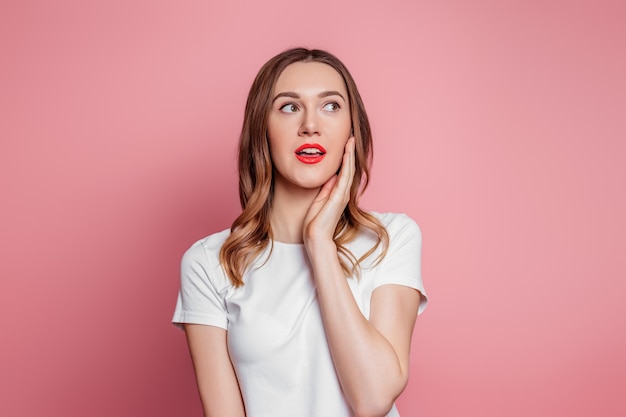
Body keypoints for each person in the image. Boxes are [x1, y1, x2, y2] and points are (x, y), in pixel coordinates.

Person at [172, 47, 428, 417]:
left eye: (331, 106)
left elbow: (373, 399)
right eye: (289, 107)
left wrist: (320, 243)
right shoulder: (210, 262)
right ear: (263, 129)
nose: (310, 125)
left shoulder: (391, 238)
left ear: (352, 132)